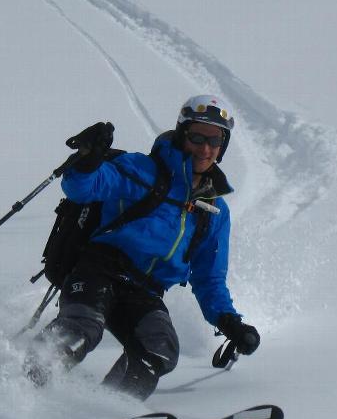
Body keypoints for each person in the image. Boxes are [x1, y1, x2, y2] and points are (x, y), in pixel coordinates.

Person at [25, 94, 260, 400]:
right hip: (99, 270)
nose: (205, 147)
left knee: (160, 350)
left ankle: (107, 408)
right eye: (197, 136)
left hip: (145, 292)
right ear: (182, 134)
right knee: (81, 330)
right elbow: (81, 189)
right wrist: (89, 160)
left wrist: (229, 321)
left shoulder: (214, 210)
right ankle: (20, 384)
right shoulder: (139, 169)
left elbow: (209, 278)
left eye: (215, 139)